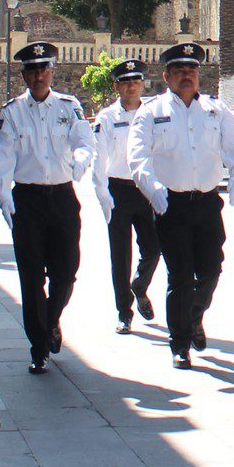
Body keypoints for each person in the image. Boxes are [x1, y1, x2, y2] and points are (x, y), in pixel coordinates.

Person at [128, 42, 234, 369]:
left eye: (192, 70)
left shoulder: (214, 110)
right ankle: (179, 343)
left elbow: (233, 148)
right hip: (172, 204)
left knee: (211, 270)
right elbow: (137, 157)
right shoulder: (151, 112)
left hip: (207, 203)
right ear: (166, 76)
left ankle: (195, 314)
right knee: (179, 276)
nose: (187, 76)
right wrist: (152, 189)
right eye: (180, 71)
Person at [0, 42, 98, 374]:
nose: (38, 76)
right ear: (24, 75)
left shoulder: (69, 106)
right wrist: (7, 206)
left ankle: (51, 321)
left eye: (43, 70)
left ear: (52, 72)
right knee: (31, 276)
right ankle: (38, 347)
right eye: (32, 71)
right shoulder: (11, 113)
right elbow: (2, 164)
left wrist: (79, 164)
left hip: (63, 198)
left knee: (66, 272)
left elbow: (85, 141)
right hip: (29, 201)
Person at [93, 59, 160, 335]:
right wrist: (101, 192)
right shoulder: (107, 117)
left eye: (136, 81)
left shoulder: (155, 113)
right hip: (118, 188)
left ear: (142, 84)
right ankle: (124, 312)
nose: (131, 86)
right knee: (120, 255)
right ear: (116, 86)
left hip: (147, 189)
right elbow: (100, 156)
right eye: (125, 82)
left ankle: (140, 285)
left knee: (154, 248)